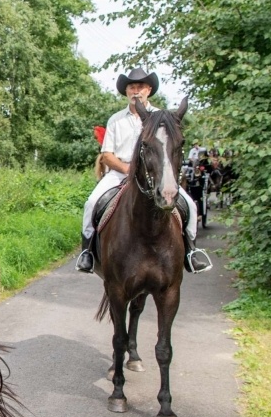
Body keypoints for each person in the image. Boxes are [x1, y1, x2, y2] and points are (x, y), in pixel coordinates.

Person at [75, 67, 212, 274]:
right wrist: (127, 168)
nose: (135, 91)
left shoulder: (162, 117)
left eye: (140, 87)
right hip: (121, 172)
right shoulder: (116, 120)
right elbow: (107, 155)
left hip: (155, 173)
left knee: (190, 206)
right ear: (126, 91)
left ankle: (191, 252)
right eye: (131, 87)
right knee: (92, 202)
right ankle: (88, 253)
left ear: (148, 89)